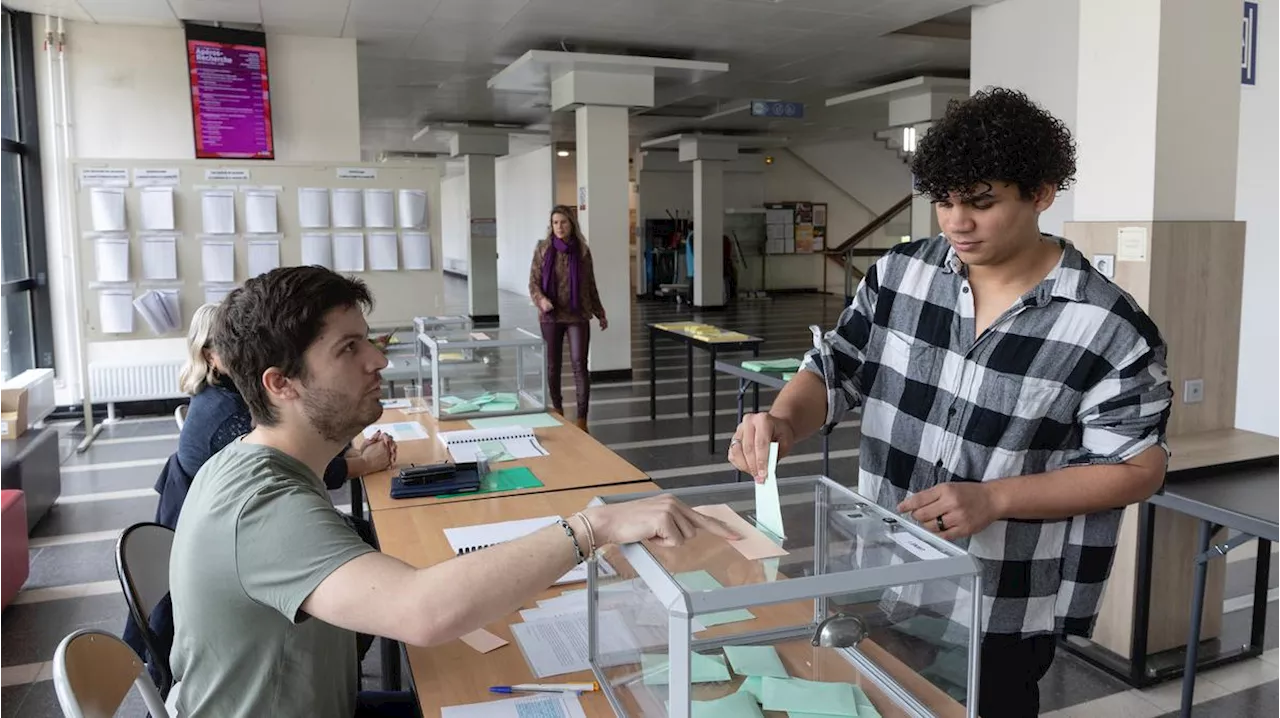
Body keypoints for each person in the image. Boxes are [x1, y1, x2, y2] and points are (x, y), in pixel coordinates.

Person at [728, 88, 1173, 718]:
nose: (956, 222)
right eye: (944, 200)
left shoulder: (1107, 327)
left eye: (982, 202)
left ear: (1041, 193)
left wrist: (995, 499)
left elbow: (1137, 469)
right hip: (883, 569)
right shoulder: (899, 276)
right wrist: (783, 420)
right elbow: (837, 368)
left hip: (1000, 600)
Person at [169, 266, 733, 718]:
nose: (379, 361)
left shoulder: (261, 464)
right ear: (281, 383)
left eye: (369, 341)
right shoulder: (261, 506)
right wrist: (594, 527)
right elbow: (423, 612)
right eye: (348, 349)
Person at [528, 205, 608, 431]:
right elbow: (533, 282)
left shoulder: (582, 251)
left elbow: (590, 284)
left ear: (571, 224)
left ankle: (582, 419)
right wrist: (541, 301)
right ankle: (558, 410)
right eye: (555, 223)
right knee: (553, 366)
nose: (559, 227)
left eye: (563, 222)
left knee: (579, 364)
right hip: (550, 316)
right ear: (551, 225)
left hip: (577, 314)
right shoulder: (543, 250)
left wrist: (599, 311)